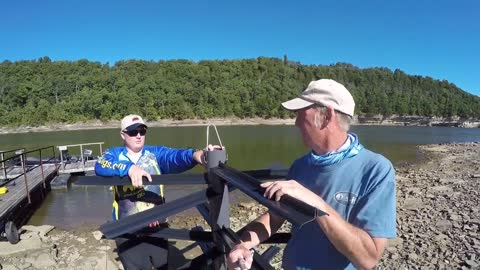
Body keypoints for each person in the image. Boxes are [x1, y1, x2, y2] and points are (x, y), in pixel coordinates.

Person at [227, 79, 396, 270]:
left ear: (327, 116)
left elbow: (368, 259)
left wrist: (316, 204)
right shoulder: (300, 166)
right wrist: (244, 244)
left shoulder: (376, 169)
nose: (296, 123)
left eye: (301, 113)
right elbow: (275, 218)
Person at [95, 114, 211, 270]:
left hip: (157, 227)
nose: (138, 135)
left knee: (162, 266)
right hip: (127, 229)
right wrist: (129, 168)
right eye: (132, 132)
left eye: (142, 131)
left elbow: (175, 157)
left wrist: (197, 155)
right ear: (123, 134)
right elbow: (101, 165)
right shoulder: (114, 154)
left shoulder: (155, 154)